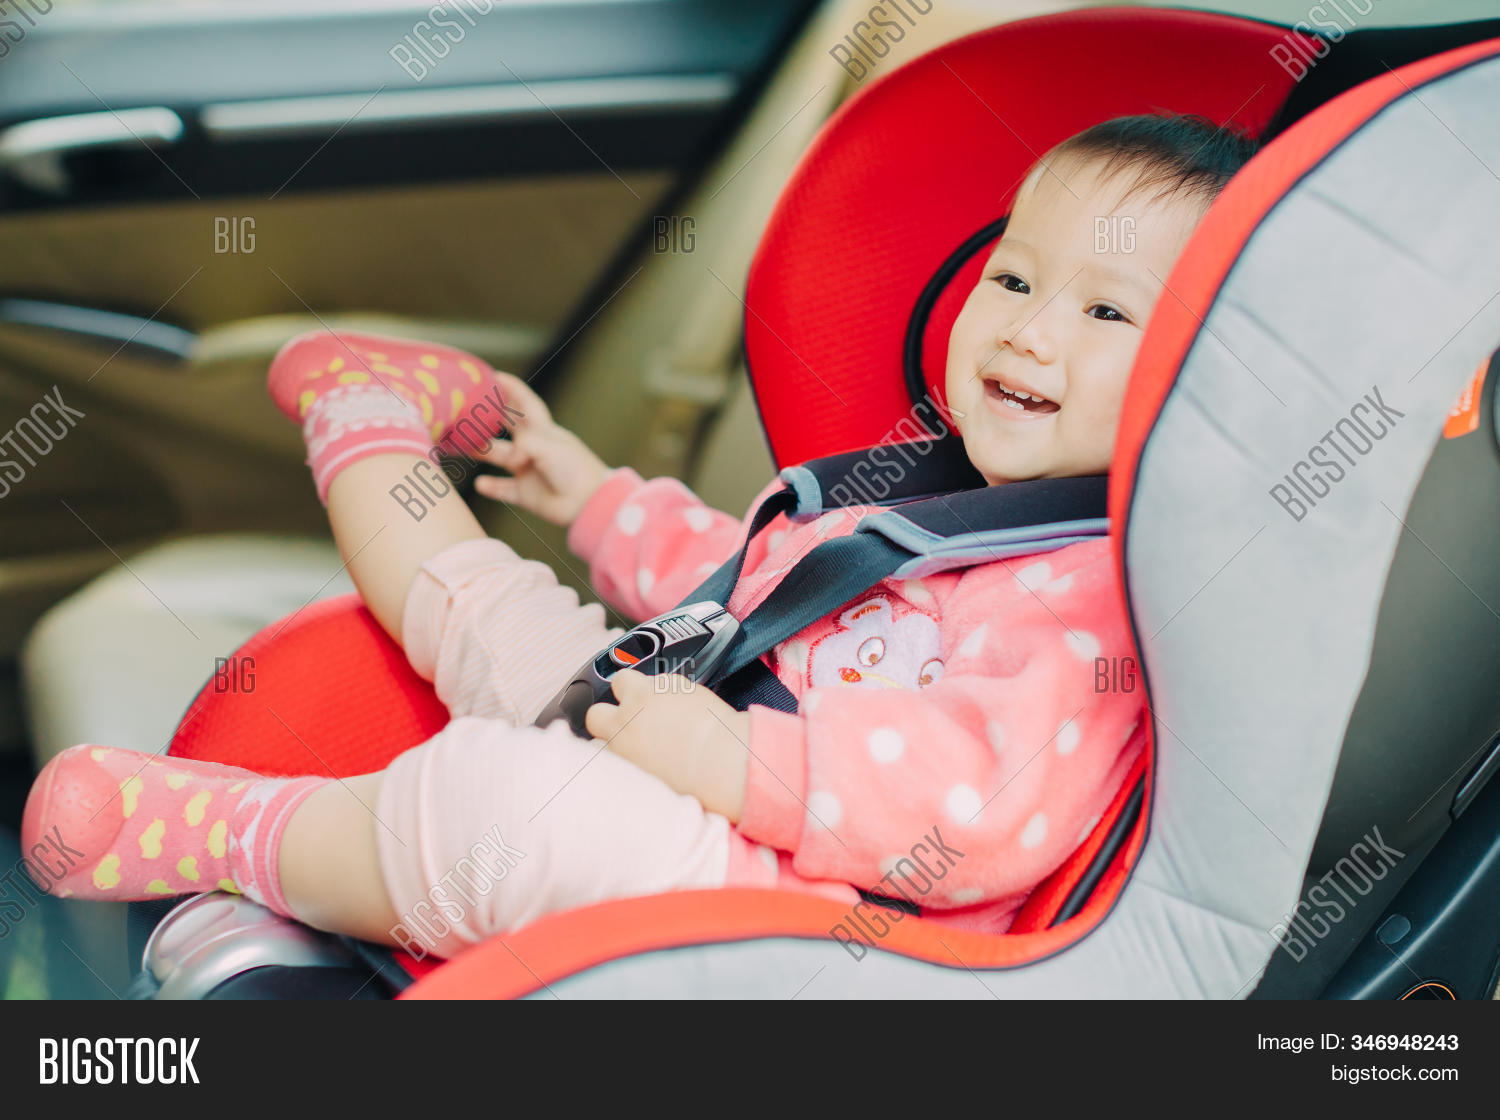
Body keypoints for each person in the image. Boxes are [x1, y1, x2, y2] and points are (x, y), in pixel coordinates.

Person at [21, 114, 1257, 960]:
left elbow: (979, 809)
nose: (1032, 332)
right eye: (1014, 279)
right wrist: (592, 499)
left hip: (809, 916)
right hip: (665, 721)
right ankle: (365, 414)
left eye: (1105, 309)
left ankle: (235, 841)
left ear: (1201, 373)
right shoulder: (924, 494)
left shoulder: (1096, 599)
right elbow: (749, 582)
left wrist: (739, 765)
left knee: (511, 805)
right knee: (486, 600)